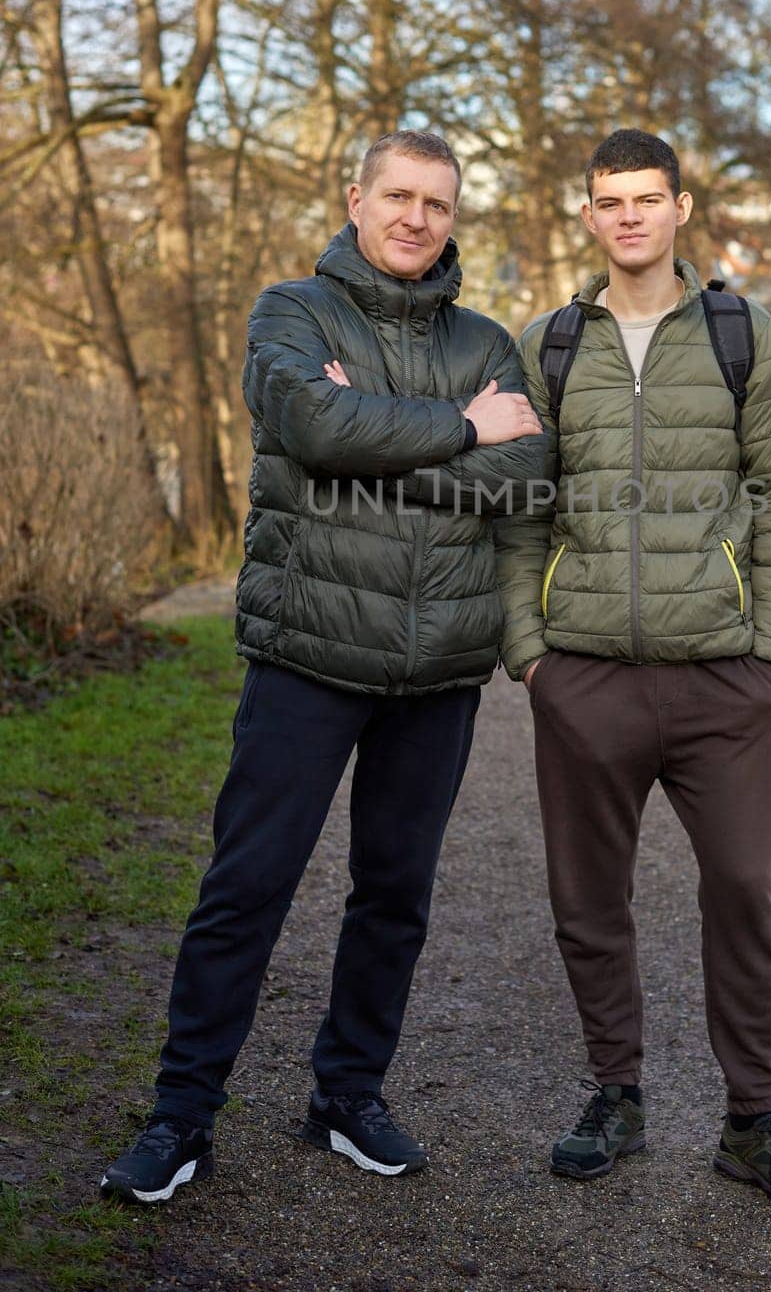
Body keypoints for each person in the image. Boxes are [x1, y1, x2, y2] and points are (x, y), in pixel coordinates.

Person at [103, 130, 547, 1203]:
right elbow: (309, 420)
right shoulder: (292, 314)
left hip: (437, 670)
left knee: (394, 893)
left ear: (453, 218)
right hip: (307, 655)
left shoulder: (488, 338)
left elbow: (526, 474)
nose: (416, 218)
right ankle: (181, 1116)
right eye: (398, 195)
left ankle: (347, 1095)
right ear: (355, 197)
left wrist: (381, 447)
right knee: (246, 886)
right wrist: (456, 430)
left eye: (437, 204)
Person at [494, 128, 771, 1212]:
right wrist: (531, 652)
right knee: (586, 897)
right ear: (588, 216)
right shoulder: (547, 343)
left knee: (744, 890)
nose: (630, 216)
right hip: (583, 677)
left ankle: (753, 1118)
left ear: (681, 208)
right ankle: (617, 1094)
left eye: (649, 197)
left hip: (722, 681)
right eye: (611, 200)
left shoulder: (744, 335)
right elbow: (518, 506)